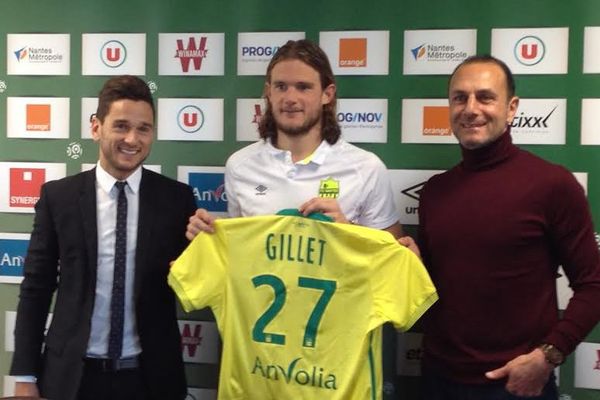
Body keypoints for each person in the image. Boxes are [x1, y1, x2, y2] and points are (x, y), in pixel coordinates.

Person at [418, 55, 600, 399]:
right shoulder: (435, 191)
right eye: (460, 97)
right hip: (437, 379)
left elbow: (594, 285)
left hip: (517, 386)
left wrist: (548, 356)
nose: (471, 108)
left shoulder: (552, 184)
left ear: (512, 108)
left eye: (485, 97)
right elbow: (434, 283)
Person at [10, 75, 197, 400]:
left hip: (150, 378)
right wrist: (25, 376)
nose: (132, 139)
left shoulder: (177, 200)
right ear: (96, 127)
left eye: (144, 128)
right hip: (71, 378)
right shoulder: (59, 198)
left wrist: (203, 246)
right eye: (121, 126)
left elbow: (195, 285)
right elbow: (36, 288)